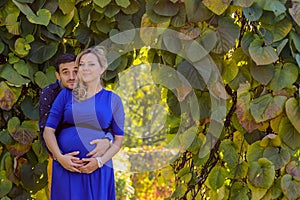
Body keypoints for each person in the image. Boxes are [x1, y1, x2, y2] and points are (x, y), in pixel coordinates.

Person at [43, 46, 125, 200]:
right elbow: (48, 130)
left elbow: (119, 140)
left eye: (91, 64)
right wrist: (60, 158)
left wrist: (99, 162)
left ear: (102, 68)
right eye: (81, 64)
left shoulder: (113, 100)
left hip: (98, 169)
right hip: (66, 167)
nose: (85, 68)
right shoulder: (66, 95)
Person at [39, 53, 113, 158]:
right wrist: (59, 157)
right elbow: (45, 128)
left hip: (95, 160)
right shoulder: (50, 93)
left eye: (75, 72)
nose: (72, 77)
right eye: (65, 73)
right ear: (58, 76)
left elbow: (110, 124)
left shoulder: (93, 91)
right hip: (61, 157)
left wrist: (107, 141)